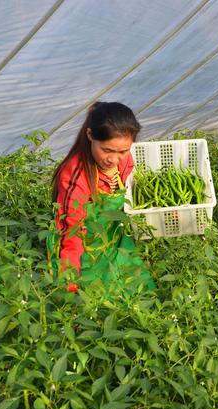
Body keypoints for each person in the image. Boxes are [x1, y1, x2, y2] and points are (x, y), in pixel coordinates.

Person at [48, 101, 154, 295]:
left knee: (137, 291)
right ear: (90, 136)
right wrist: (70, 286)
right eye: (107, 150)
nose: (114, 159)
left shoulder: (124, 162)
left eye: (123, 151)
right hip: (87, 248)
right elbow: (71, 233)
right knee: (95, 297)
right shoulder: (75, 176)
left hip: (116, 238)